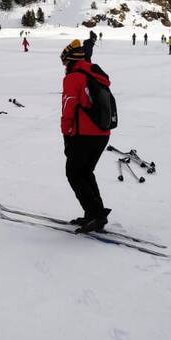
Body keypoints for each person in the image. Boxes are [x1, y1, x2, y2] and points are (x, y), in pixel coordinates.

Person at [59, 40, 112, 234]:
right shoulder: (94, 73)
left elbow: (68, 107)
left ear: (70, 60)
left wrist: (66, 134)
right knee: (85, 172)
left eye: (64, 62)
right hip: (102, 133)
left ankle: (96, 214)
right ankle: (94, 212)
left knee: (73, 172)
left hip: (85, 133)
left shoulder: (74, 77)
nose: (64, 67)